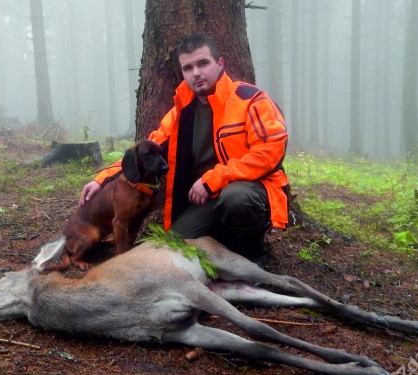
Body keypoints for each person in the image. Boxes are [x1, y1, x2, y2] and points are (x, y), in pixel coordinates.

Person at [79, 33, 290, 265]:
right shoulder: (182, 111)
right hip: (205, 196)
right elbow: (146, 148)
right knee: (172, 250)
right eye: (188, 68)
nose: (196, 72)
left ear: (220, 64)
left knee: (236, 198)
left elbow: (270, 152)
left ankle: (252, 256)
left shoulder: (251, 100)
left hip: (249, 187)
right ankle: (221, 240)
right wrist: (102, 179)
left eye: (203, 63)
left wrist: (214, 179)